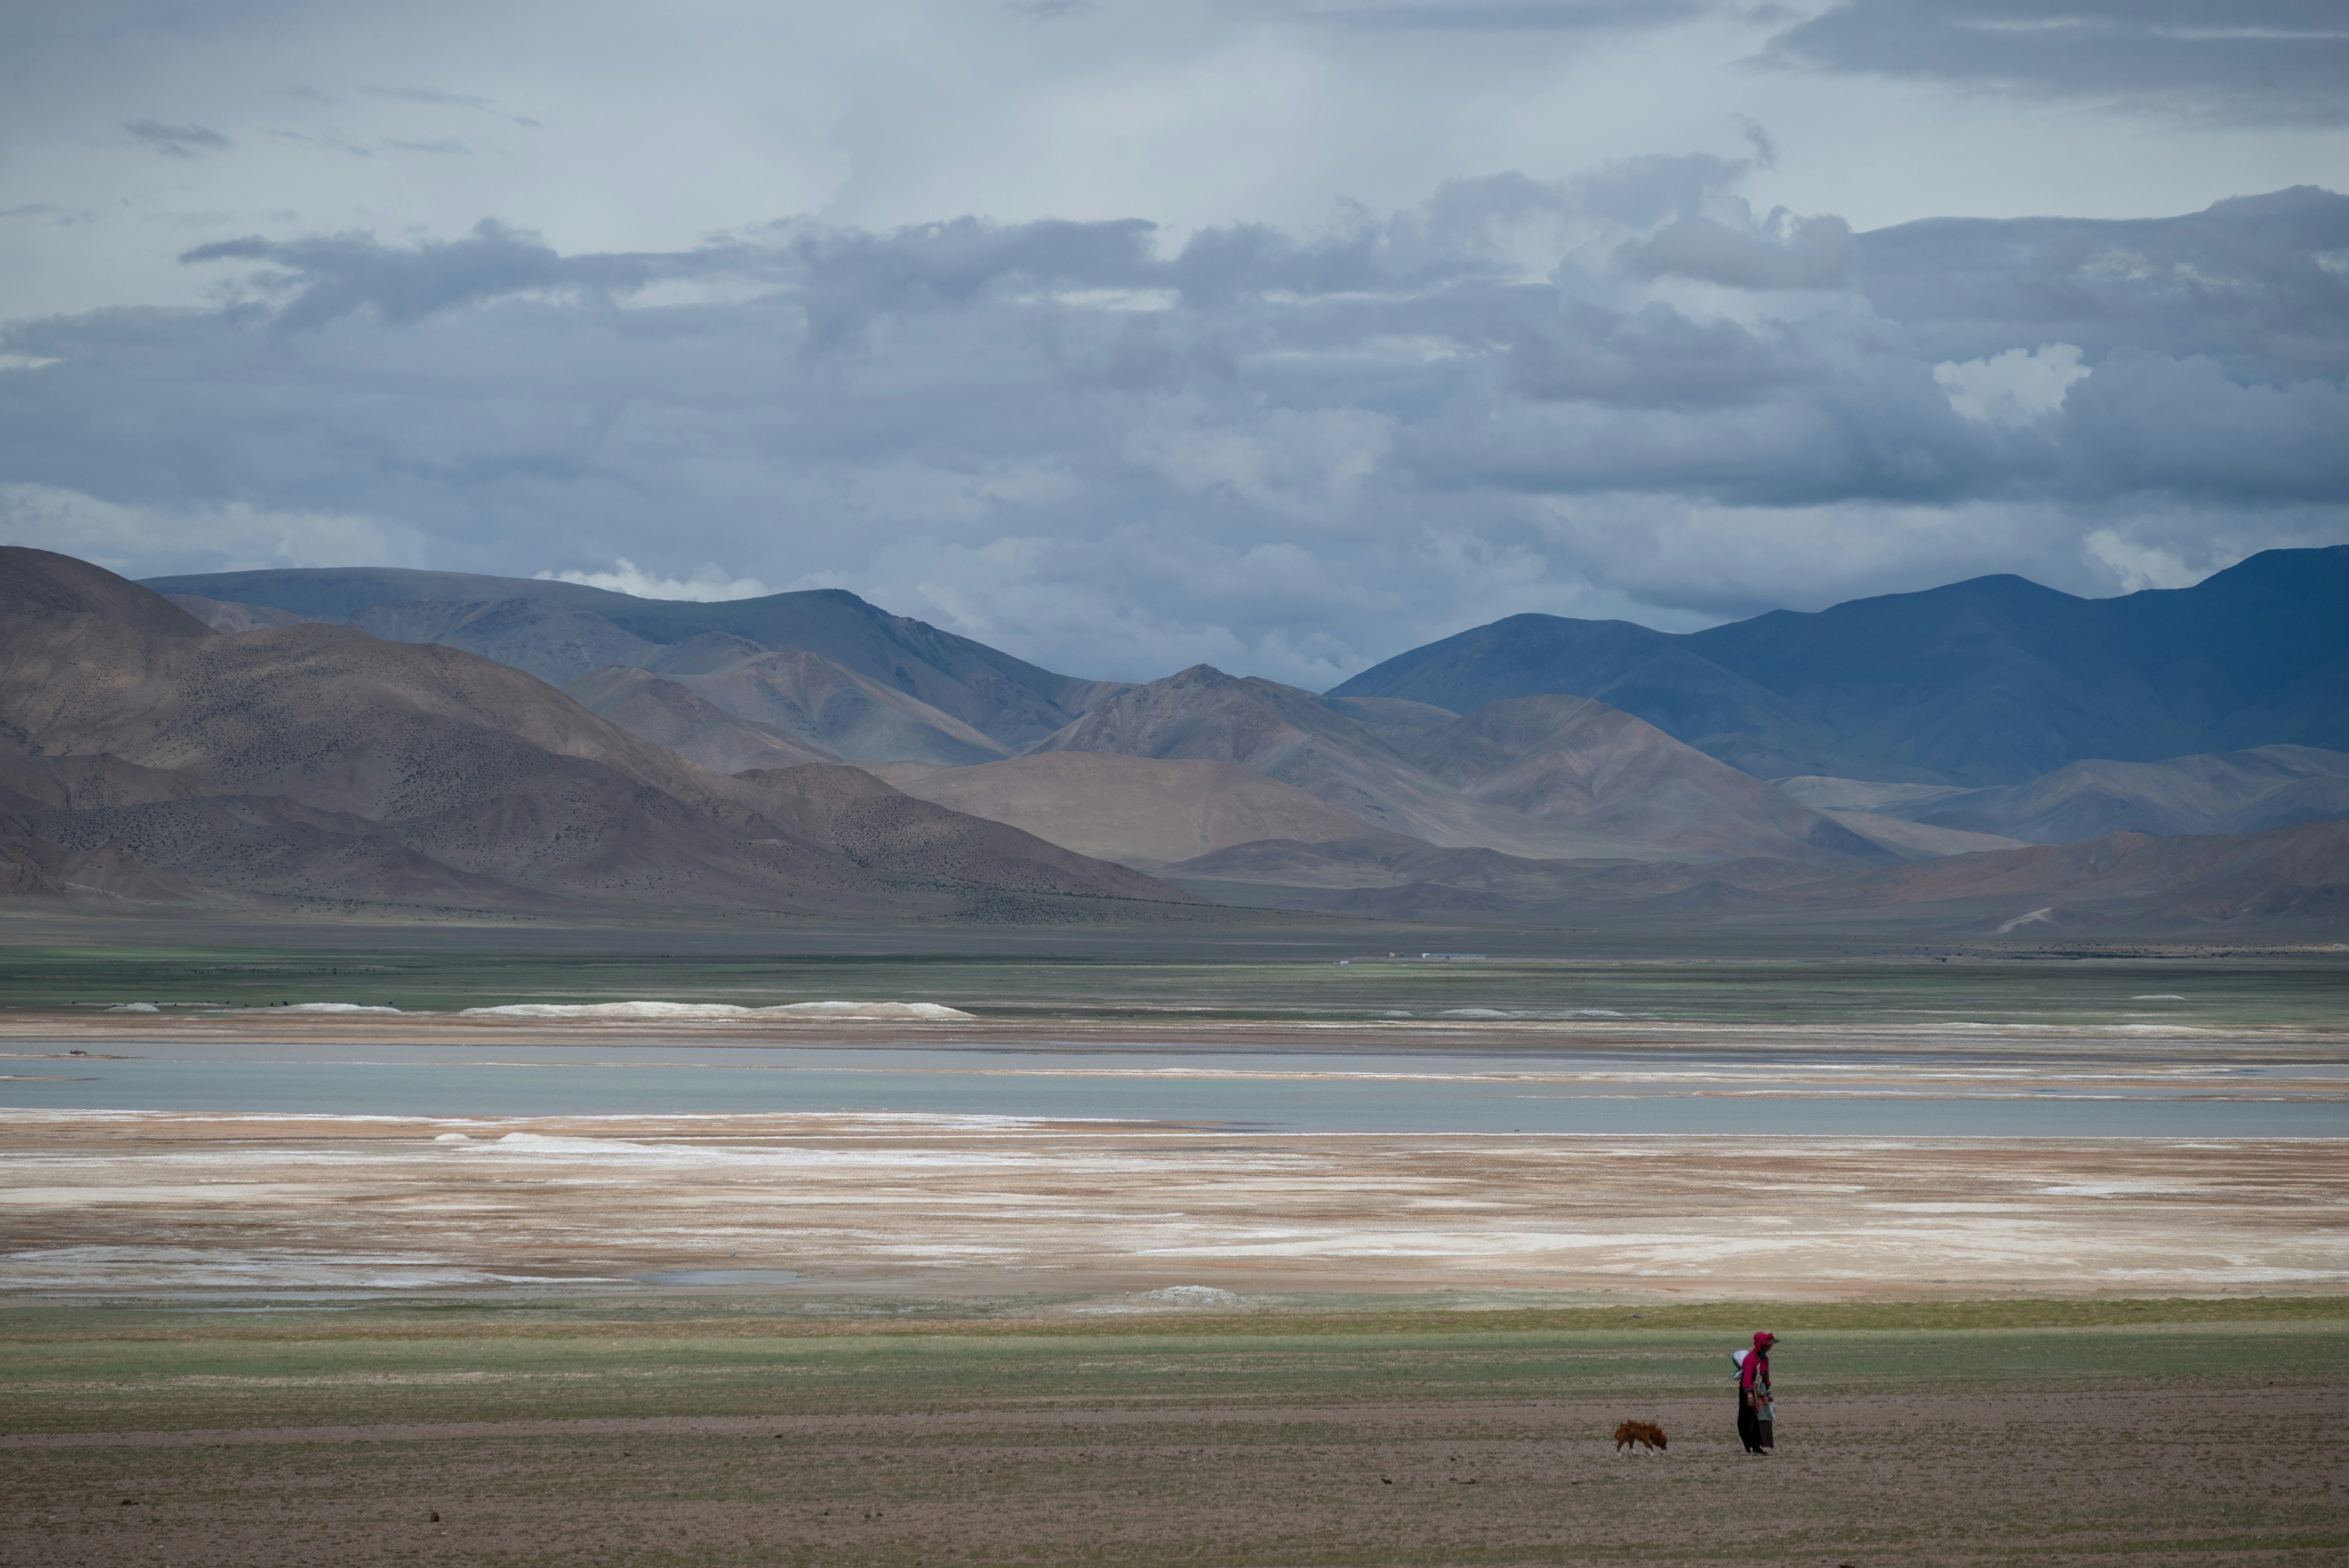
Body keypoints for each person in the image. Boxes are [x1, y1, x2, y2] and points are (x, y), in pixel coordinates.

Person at [1736, 1330, 1776, 1454]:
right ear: (1761, 1344)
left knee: (1764, 1418)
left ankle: (1757, 1445)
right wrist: (1749, 1395)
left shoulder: (1765, 1359)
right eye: (1766, 1344)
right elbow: (1747, 1378)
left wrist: (1768, 1394)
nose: (1769, 1347)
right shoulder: (1751, 1359)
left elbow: (1766, 1377)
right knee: (1752, 1418)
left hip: (1761, 1391)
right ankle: (1752, 1444)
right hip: (1750, 1391)